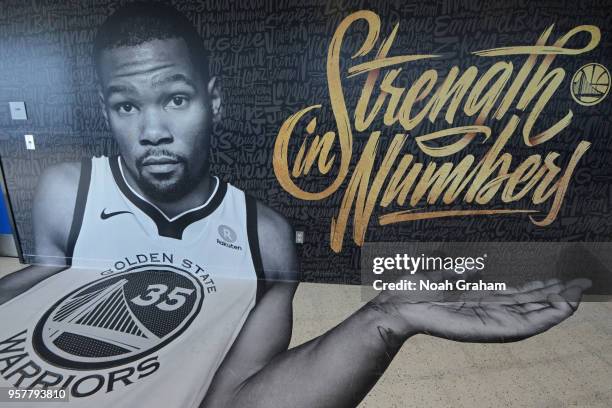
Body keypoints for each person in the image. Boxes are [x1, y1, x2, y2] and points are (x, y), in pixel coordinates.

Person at [0, 2, 591, 408]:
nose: (152, 130)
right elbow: (46, 285)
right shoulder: (65, 192)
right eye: (127, 106)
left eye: (175, 99)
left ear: (213, 100)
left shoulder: (264, 238)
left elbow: (241, 397)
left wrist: (384, 320)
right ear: (107, 111)